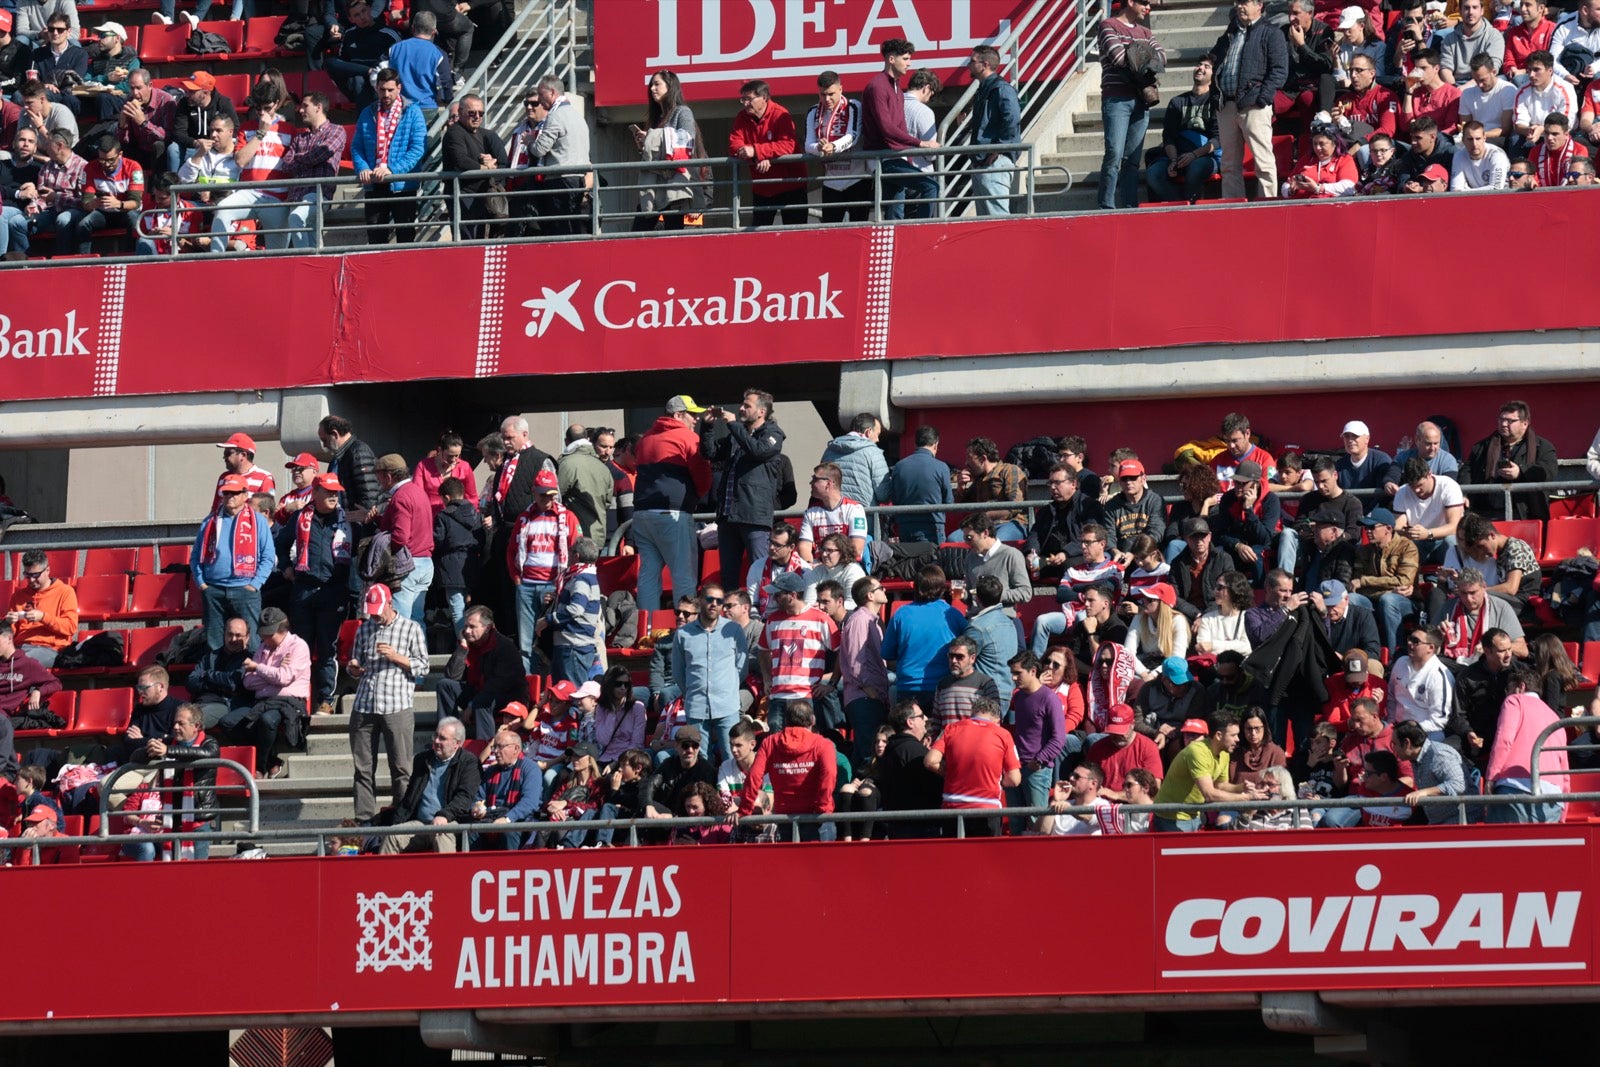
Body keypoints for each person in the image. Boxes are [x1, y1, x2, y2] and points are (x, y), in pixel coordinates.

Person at [348, 583, 428, 823]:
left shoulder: (410, 628)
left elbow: (423, 666)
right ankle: (364, 819)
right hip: (365, 703)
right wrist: (353, 668)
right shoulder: (364, 630)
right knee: (363, 768)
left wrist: (397, 657)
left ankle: (402, 816)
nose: (374, 615)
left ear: (390, 604)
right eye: (371, 610)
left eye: (378, 610)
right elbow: (356, 663)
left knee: (401, 767)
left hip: (397, 703)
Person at [632, 395, 713, 612]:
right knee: (684, 575)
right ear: (678, 415)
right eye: (692, 414)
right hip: (673, 514)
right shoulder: (688, 437)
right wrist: (697, 496)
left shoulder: (646, 439)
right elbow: (703, 475)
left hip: (642, 514)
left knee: (649, 575)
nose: (696, 419)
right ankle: (685, 629)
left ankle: (647, 629)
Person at [702, 389, 786, 594]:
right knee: (728, 576)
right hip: (728, 515)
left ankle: (762, 613)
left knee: (760, 569)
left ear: (761, 412)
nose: (740, 408)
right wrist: (707, 426)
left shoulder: (773, 434)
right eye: (742, 404)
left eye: (747, 405)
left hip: (754, 516)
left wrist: (733, 425)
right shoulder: (737, 435)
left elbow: (758, 450)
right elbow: (710, 452)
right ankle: (731, 614)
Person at [281, 472, 351, 715]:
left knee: (326, 648)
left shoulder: (345, 519)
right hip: (304, 590)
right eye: (328, 492)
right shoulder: (301, 517)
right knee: (301, 648)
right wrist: (286, 567)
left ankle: (325, 700)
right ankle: (299, 700)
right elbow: (280, 544)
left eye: (336, 492)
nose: (334, 496)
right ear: (316, 492)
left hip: (333, 591)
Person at [1210, 0, 1289, 199]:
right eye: (1237, 2)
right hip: (1226, 104)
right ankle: (1232, 206)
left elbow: (1279, 70)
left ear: (1259, 5)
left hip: (1254, 104)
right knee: (1228, 164)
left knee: (1263, 160)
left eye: (1244, 2)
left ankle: (1268, 204)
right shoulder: (1229, 34)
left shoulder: (1272, 33)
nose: (1239, 6)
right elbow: (1215, 63)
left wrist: (1262, 98)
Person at [122, 703, 219, 862]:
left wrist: (168, 751)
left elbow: (206, 754)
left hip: (199, 820)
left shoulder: (209, 742)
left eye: (181, 723)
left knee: (198, 872)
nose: (175, 727)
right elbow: (135, 758)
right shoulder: (168, 742)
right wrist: (148, 748)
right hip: (172, 818)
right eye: (174, 722)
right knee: (174, 873)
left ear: (197, 726)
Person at [508, 468, 579, 673]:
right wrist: (517, 579)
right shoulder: (524, 518)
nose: (547, 499)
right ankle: (528, 687)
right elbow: (512, 550)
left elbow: (576, 549)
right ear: (534, 492)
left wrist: (563, 584)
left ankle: (553, 684)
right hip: (527, 585)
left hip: (553, 585)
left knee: (554, 637)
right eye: (543, 494)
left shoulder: (567, 517)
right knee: (525, 640)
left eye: (551, 494)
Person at [737, 699, 838, 841]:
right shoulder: (824, 744)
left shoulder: (770, 743)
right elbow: (829, 775)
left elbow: (754, 776)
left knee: (790, 864)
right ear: (813, 720)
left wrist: (744, 809)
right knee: (822, 863)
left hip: (785, 818)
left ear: (786, 720)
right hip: (817, 819)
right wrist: (823, 808)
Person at [192, 475, 274, 649]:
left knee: (251, 642)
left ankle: (249, 676)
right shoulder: (209, 521)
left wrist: (254, 584)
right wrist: (202, 584)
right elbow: (196, 557)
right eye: (226, 493)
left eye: (235, 492)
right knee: (214, 642)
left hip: (246, 590)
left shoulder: (258, 521)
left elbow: (268, 557)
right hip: (213, 589)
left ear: (245, 495)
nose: (230, 496)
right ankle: (217, 675)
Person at [1097, 0, 1164, 210]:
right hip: (1116, 99)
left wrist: (1135, 54)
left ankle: (1129, 206)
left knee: (1132, 160)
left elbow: (1162, 59)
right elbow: (1117, 58)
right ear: (1130, 2)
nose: (1148, 7)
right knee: (1114, 154)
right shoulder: (1108, 25)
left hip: (1141, 101)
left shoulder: (1145, 31)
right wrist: (1145, 55)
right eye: (1144, 2)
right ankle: (1106, 205)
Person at [672, 582, 748, 765]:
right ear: (700, 601)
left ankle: (731, 794)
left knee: (732, 757)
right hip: (696, 707)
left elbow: (741, 667)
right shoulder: (683, 634)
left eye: (719, 601)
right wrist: (692, 691)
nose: (714, 604)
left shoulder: (734, 630)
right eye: (709, 599)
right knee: (701, 761)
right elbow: (678, 672)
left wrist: (726, 687)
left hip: (727, 706)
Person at [379, 716, 480, 853]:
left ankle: (449, 874)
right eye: (435, 736)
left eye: (442, 738)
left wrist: (444, 815)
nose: (436, 741)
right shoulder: (422, 759)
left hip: (451, 821)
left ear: (457, 743)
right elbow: (410, 796)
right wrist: (397, 821)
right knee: (393, 835)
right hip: (421, 824)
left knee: (441, 833)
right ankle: (383, 874)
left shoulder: (469, 762)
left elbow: (464, 797)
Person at [1152, 709, 1266, 831]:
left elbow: (1221, 785)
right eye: (1233, 735)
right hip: (1170, 818)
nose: (1238, 739)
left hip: (1193, 816)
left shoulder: (1224, 752)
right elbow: (1209, 794)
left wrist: (1241, 788)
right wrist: (1246, 798)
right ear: (1218, 736)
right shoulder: (1197, 751)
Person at [925, 696, 1021, 837]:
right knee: (986, 858)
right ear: (997, 720)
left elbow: (930, 761)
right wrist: (998, 781)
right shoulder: (1003, 734)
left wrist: (951, 773)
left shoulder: (951, 728)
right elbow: (1014, 779)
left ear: (973, 714)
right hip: (987, 808)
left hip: (952, 806)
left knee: (954, 858)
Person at [758, 570, 840, 733]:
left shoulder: (820, 619)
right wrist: (767, 679)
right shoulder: (772, 620)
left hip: (806, 696)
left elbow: (841, 652)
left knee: (805, 742)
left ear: (793, 595)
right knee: (777, 740)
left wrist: (832, 684)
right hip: (778, 695)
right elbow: (762, 650)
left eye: (778, 594)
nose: (773, 598)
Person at [352, 68, 426, 246]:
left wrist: (391, 170)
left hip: (402, 184)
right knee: (375, 239)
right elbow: (357, 146)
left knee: (405, 237)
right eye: (382, 89)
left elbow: (417, 149)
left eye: (390, 90)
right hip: (374, 184)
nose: (386, 94)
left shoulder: (413, 112)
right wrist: (362, 168)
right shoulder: (367, 113)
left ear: (399, 88)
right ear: (376, 88)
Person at [438, 605, 530, 741]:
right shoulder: (470, 643)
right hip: (480, 693)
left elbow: (498, 685)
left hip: (507, 697)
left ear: (487, 628)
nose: (467, 631)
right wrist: (463, 648)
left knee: (483, 701)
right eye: (466, 626)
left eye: (472, 627)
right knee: (445, 685)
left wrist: (472, 704)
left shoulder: (504, 646)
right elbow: (451, 676)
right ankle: (448, 736)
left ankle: (484, 747)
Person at [1460, 400, 1559, 521]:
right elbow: (1467, 470)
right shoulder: (1483, 446)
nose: (1504, 424)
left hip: (1524, 511)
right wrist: (1464, 493)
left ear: (1525, 423)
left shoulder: (1542, 447)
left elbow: (1549, 471)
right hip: (1484, 512)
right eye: (1501, 419)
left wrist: (1520, 472)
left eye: (1510, 421)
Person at [728, 80, 806, 226]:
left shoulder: (780, 114)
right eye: (743, 99)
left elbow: (788, 145)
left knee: (795, 236)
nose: (745, 103)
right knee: (759, 237)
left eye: (749, 99)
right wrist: (757, 156)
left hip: (791, 186)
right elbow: (734, 145)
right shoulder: (742, 117)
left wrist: (757, 152)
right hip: (762, 188)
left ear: (764, 98)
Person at [1485, 687, 1569, 823]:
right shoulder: (1555, 717)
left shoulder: (1514, 700)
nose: (1506, 693)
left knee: (1502, 842)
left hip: (1514, 788)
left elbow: (1504, 740)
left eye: (1509, 689)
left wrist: (1491, 778)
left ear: (1520, 687)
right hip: (1553, 801)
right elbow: (1565, 771)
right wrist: (1563, 815)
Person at [632, 70, 701, 232]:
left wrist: (651, 136)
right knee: (637, 235)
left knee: (674, 239)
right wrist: (642, 145)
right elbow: (655, 153)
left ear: (670, 87)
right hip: (654, 187)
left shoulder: (682, 112)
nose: (652, 89)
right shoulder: (656, 117)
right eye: (651, 85)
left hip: (675, 189)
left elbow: (687, 140)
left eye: (657, 84)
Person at [1147, 57, 1221, 204]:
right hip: (1178, 156)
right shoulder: (1177, 102)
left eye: (1207, 66)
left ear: (1214, 74)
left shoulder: (1215, 100)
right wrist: (1173, 160)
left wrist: (1193, 155)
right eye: (1199, 64)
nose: (1200, 68)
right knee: (1153, 174)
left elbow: (1217, 139)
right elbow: (1169, 136)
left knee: (1196, 167)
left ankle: (1188, 204)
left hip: (1205, 157)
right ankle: (1183, 205)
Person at [371, 453, 433, 625]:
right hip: (425, 562)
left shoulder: (400, 497)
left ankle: (401, 653)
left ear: (388, 476)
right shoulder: (417, 492)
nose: (379, 481)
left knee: (401, 621)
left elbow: (400, 536)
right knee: (417, 619)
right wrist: (377, 520)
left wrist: (379, 548)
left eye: (379, 477)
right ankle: (420, 652)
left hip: (408, 565)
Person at [839, 576, 890, 767]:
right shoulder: (860, 620)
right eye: (881, 588)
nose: (884, 590)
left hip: (871, 695)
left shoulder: (872, 621)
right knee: (867, 753)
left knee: (866, 751)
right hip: (864, 696)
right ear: (870, 595)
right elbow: (855, 659)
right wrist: (868, 687)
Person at [804, 70, 867, 224]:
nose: (827, 99)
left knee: (860, 229)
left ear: (841, 89)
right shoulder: (813, 111)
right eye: (822, 94)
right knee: (830, 231)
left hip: (856, 180)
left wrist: (832, 146)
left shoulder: (853, 106)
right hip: (831, 182)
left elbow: (853, 135)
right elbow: (808, 144)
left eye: (831, 94)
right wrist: (819, 148)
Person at [967, 43, 1023, 215]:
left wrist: (998, 149)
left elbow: (1012, 118)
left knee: (997, 222)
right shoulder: (985, 89)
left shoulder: (1001, 89)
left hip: (993, 163)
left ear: (984, 65)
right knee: (987, 226)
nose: (969, 64)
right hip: (984, 162)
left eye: (972, 61)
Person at [539, 536, 602, 684]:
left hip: (573, 646)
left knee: (573, 696)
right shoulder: (584, 576)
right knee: (561, 696)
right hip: (570, 645)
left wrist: (547, 620)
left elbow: (576, 609)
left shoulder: (582, 578)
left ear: (576, 556)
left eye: (571, 551)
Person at [470, 729, 542, 850]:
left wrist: (507, 818)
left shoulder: (531, 769)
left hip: (518, 820)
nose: (496, 752)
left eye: (500, 747)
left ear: (516, 749)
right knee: (471, 831)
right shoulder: (490, 771)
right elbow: (478, 797)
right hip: (491, 817)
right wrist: (476, 808)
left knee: (509, 832)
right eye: (494, 747)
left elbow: (530, 802)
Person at [1390, 718, 1472, 824]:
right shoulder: (1416, 758)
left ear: (1406, 743)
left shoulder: (1439, 754)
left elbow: (1458, 785)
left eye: (1394, 744)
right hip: (1438, 821)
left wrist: (1424, 792)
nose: (1394, 749)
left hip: (1459, 822)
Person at [5, 550, 77, 668]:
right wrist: (8, 623)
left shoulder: (65, 592)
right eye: (27, 575)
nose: (31, 580)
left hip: (50, 649)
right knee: (15, 661)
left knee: (20, 663)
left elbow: (70, 627)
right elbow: (11, 634)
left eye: (35, 575)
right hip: (20, 648)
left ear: (47, 570)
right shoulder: (18, 596)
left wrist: (43, 617)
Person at [1389, 625, 1456, 742]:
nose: (1410, 643)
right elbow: (1391, 696)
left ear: (1430, 647)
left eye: (1416, 641)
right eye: (1409, 638)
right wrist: (1390, 723)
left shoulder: (1439, 676)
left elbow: (1440, 720)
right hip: (1397, 726)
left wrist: (1411, 730)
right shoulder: (1400, 663)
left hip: (1425, 732)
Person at [433, 476, 482, 633]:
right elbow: (481, 539)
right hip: (472, 564)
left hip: (450, 567)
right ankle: (473, 642)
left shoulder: (443, 516)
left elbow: (438, 541)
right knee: (468, 608)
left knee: (456, 608)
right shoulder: (476, 515)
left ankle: (464, 644)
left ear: (447, 498)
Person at [887, 425, 952, 543]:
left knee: (907, 560)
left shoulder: (899, 466)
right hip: (932, 525)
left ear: (915, 444)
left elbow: (894, 497)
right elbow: (948, 501)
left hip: (905, 525)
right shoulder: (941, 467)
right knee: (933, 559)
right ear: (935, 444)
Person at [966, 576, 1020, 717]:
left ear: (977, 598)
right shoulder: (1010, 623)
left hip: (986, 694)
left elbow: (963, 659)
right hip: (1006, 691)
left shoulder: (977, 627)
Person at [379, 11, 454, 111]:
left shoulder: (394, 49)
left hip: (398, 108)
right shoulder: (439, 54)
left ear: (413, 28)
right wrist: (447, 101)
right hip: (426, 108)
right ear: (434, 32)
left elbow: (378, 71)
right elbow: (446, 83)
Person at [959, 437, 1030, 541]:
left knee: (995, 542)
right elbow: (962, 507)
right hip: (980, 528)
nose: (966, 463)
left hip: (1010, 524)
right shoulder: (979, 479)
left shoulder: (1009, 470)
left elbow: (1015, 506)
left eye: (969, 458)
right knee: (953, 539)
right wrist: (961, 488)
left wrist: (983, 516)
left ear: (983, 459)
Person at [316, 415, 381, 522]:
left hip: (358, 525)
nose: (324, 445)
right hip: (345, 523)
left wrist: (364, 521)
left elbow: (369, 492)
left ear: (334, 434)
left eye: (325, 440)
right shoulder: (337, 459)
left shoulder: (358, 451)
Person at [1125, 584, 1190, 680]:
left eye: (1150, 600)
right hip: (1145, 666)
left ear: (1163, 604)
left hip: (1168, 668)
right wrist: (1144, 673)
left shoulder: (1178, 620)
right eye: (1144, 598)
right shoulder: (1139, 617)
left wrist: (1154, 674)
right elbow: (1128, 652)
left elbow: (1177, 658)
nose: (1144, 602)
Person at [1318, 579, 1381, 661]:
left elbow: (1373, 652)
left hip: (1354, 668)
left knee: (1373, 665)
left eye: (1333, 605)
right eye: (1326, 606)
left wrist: (1345, 659)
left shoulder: (1363, 616)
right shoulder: (1317, 616)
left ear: (1346, 600)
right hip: (1322, 667)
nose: (1330, 610)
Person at [1195, 570, 1254, 656]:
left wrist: (1213, 645)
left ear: (1234, 590)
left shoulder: (1247, 617)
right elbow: (1203, 649)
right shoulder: (1207, 618)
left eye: (1220, 587)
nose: (1215, 591)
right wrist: (1235, 645)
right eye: (1215, 587)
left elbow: (1247, 647)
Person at [1229, 707, 1286, 791]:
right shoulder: (1234, 752)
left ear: (1264, 728)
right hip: (1238, 801)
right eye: (1249, 729)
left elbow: (1280, 787)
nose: (1253, 733)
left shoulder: (1276, 753)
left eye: (1257, 728)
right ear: (1242, 729)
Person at [1450, 119, 1510, 188]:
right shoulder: (1459, 156)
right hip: (1472, 198)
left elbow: (1496, 189)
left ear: (1484, 138)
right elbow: (1456, 190)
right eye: (1470, 139)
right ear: (1463, 140)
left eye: (1478, 139)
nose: (1474, 144)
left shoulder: (1497, 155)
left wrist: (1466, 192)